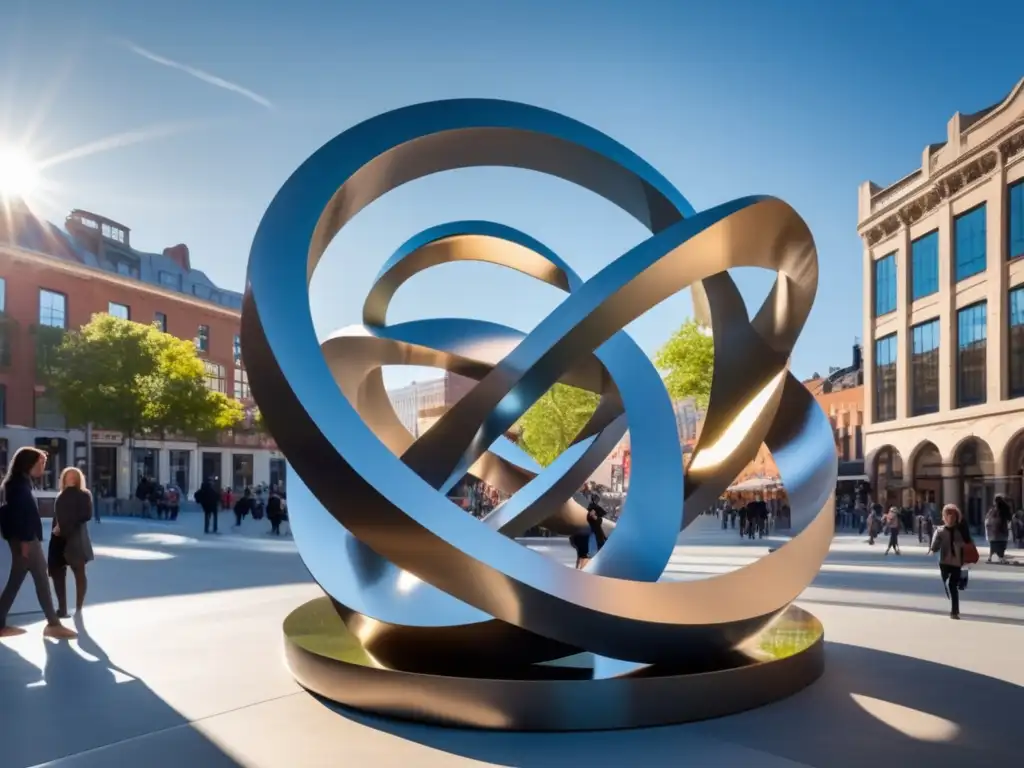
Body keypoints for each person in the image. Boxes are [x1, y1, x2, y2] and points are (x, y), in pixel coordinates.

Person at [0, 447, 76, 639]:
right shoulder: (18, 486)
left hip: (24, 539)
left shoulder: (19, 483)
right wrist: (26, 541)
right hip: (27, 540)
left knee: (16, 581)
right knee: (41, 578)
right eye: (41, 463)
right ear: (28, 463)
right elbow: (20, 515)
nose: (44, 467)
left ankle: (2, 623)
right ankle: (53, 623)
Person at [48, 467, 94, 617]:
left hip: (76, 537)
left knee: (79, 572)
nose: (71, 479)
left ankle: (79, 607)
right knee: (57, 572)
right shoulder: (60, 495)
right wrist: (57, 528)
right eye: (68, 476)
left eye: (74, 476)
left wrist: (65, 525)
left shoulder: (84, 494)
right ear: (64, 478)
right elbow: (57, 515)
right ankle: (62, 609)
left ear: (79, 478)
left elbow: (86, 515)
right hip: (58, 537)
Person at [931, 503, 968, 620]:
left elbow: (968, 545)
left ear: (957, 517)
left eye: (953, 515)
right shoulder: (940, 531)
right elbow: (934, 546)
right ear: (944, 517)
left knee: (952, 585)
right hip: (944, 562)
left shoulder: (961, 531)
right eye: (948, 515)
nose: (950, 518)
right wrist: (934, 547)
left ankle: (955, 611)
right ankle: (953, 604)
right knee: (947, 583)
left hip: (957, 562)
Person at [985, 495, 1012, 564]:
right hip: (1003, 531)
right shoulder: (1006, 509)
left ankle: (991, 557)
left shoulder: (993, 510)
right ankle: (1000, 557)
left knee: (993, 545)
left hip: (994, 532)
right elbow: (1009, 518)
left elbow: (988, 519)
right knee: (1001, 545)